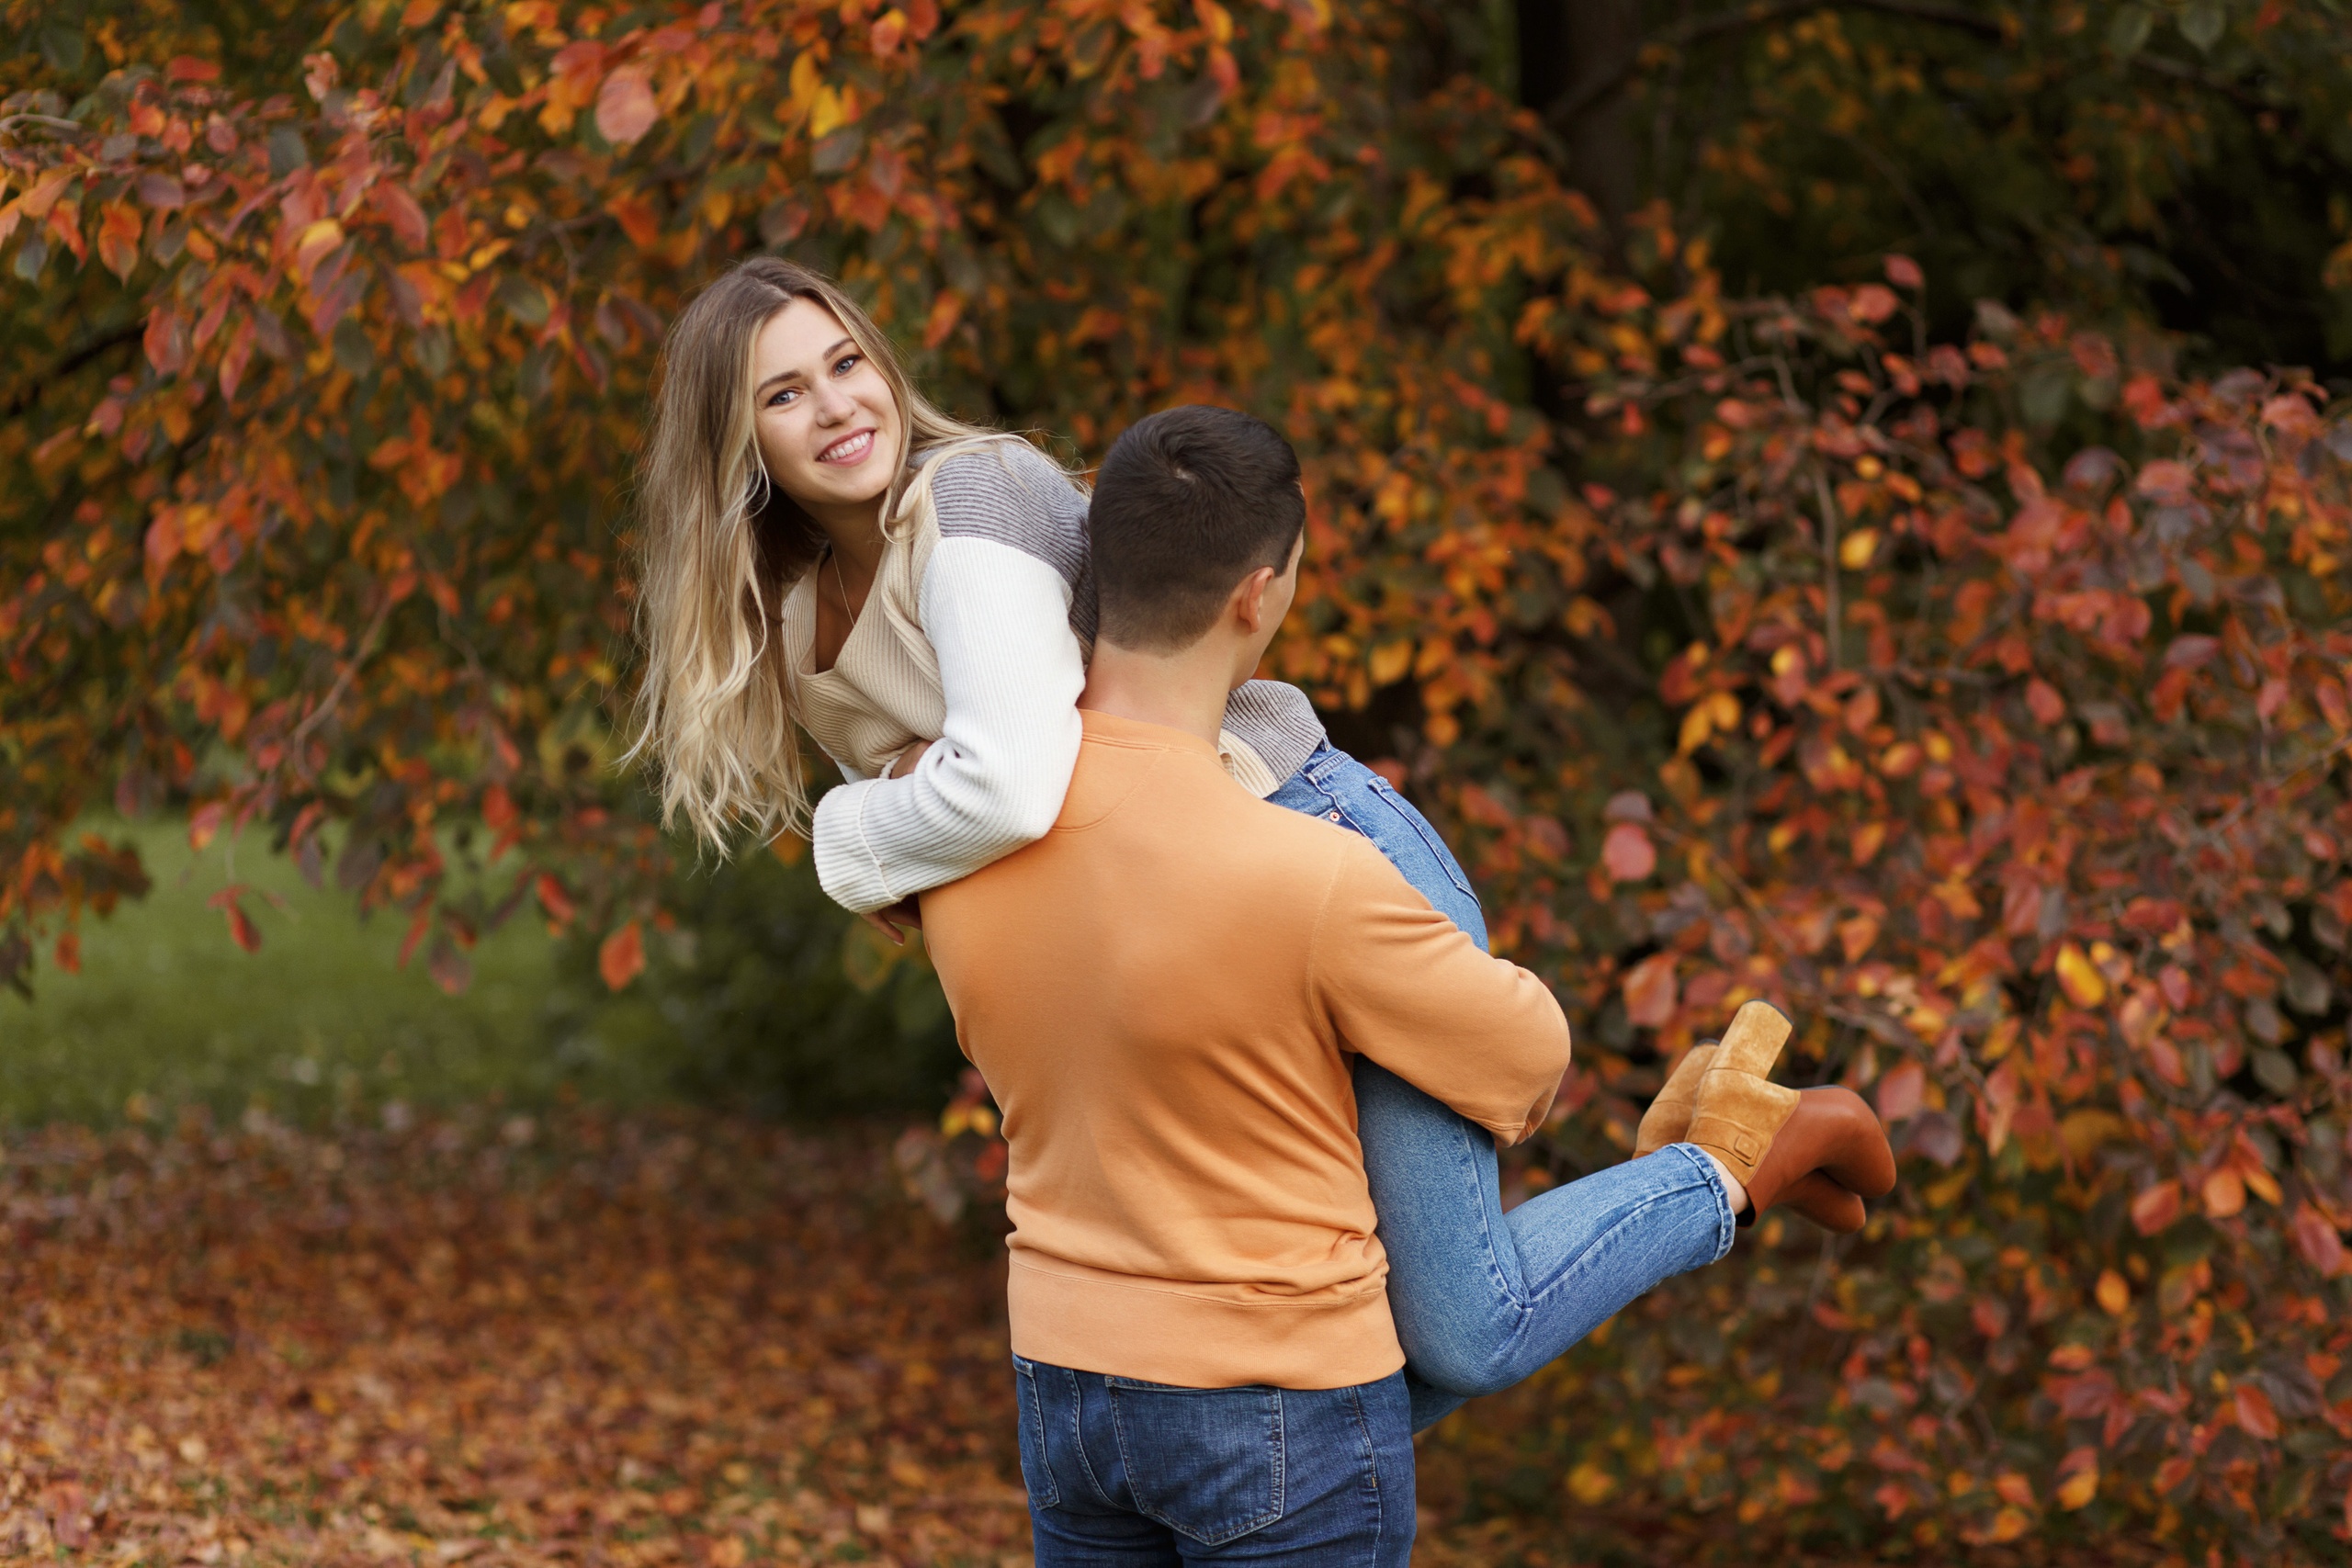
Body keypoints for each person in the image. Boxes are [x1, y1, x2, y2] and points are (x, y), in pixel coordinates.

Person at [625, 259, 1892, 1438]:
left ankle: (1734, 1157)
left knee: (1463, 1329)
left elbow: (1004, 788)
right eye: (786, 394)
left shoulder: (976, 493)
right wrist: (917, 825)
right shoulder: (790, 621)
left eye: (848, 362)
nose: (839, 405)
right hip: (1170, 941)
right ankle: (1691, 1159)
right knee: (1306, 1371)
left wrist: (849, 835)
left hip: (1303, 833)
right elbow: (954, 848)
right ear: (737, 446)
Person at [916, 405, 1895, 1562]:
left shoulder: (956, 843)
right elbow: (1528, 1055)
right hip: (1274, 1404)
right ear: (1258, 594)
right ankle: (1730, 1166)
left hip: (1066, 1391)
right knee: (1465, 1316)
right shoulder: (1314, 874)